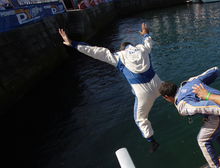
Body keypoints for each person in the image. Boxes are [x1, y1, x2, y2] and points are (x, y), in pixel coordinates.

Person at [58, 24, 161, 152]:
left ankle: (153, 142)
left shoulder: (118, 57)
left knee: (140, 119)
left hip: (143, 94)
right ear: (131, 46)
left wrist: (73, 43)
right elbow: (148, 41)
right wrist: (146, 33)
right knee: (170, 92)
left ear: (122, 49)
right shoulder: (142, 49)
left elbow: (95, 51)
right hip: (158, 84)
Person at [159, 67, 220, 168]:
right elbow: (214, 71)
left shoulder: (182, 105)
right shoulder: (190, 83)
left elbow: (203, 105)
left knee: (202, 140)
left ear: (167, 97)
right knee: (215, 131)